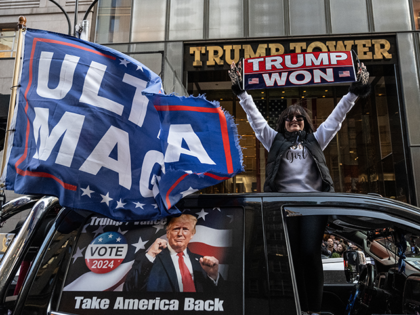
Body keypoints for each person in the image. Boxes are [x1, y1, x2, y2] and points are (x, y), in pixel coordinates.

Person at [229, 60, 370, 315]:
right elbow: (255, 119)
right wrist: (241, 93)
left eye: (299, 117)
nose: (294, 120)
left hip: (313, 206)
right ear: (283, 122)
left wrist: (353, 92)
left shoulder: (316, 141)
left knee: (309, 252)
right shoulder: (274, 140)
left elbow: (337, 117)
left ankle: (313, 310)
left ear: (305, 122)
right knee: (292, 257)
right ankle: (298, 309)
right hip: (285, 207)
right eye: (289, 118)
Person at [123, 214, 222, 292]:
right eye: (176, 229)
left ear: (192, 234)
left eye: (185, 229)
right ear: (168, 233)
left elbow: (220, 298)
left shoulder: (203, 263)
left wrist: (213, 277)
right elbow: (129, 288)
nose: (180, 234)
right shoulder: (150, 258)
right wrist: (150, 255)